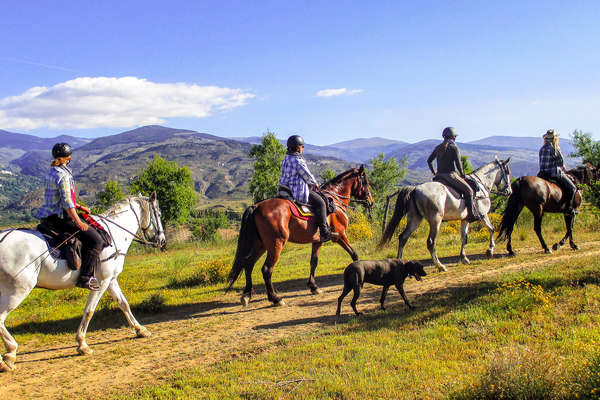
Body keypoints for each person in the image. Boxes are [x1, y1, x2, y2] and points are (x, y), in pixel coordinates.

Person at [35, 143, 103, 290]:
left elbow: (61, 199)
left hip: (48, 217)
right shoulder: (64, 175)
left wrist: (80, 207)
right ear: (68, 158)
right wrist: (79, 221)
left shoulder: (51, 172)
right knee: (95, 240)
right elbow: (66, 203)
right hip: (61, 218)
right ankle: (85, 278)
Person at [279, 135, 339, 242]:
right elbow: (307, 176)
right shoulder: (298, 160)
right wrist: (315, 185)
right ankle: (324, 232)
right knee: (320, 202)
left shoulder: (286, 158)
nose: (302, 148)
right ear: (298, 148)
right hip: (297, 191)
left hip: (284, 190)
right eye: (302, 146)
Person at [427, 127, 482, 222]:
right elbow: (458, 164)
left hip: (439, 176)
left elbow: (429, 161)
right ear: (453, 137)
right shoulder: (454, 147)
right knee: (469, 191)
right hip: (450, 175)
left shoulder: (438, 148)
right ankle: (471, 215)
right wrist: (463, 175)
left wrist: (434, 172)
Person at [538, 129, 577, 215]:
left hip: (542, 174)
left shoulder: (542, 148)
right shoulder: (554, 149)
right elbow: (561, 163)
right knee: (572, 188)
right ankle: (569, 209)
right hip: (553, 174)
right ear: (554, 139)